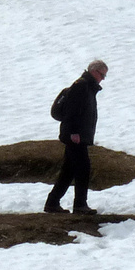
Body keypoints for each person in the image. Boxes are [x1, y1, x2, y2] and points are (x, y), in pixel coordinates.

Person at [44, 59, 108, 215]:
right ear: (94, 71)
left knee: (69, 171)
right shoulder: (81, 86)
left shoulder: (87, 87)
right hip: (75, 137)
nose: (103, 79)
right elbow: (72, 112)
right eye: (102, 75)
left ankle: (52, 203)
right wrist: (73, 133)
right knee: (82, 168)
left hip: (78, 136)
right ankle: (80, 205)